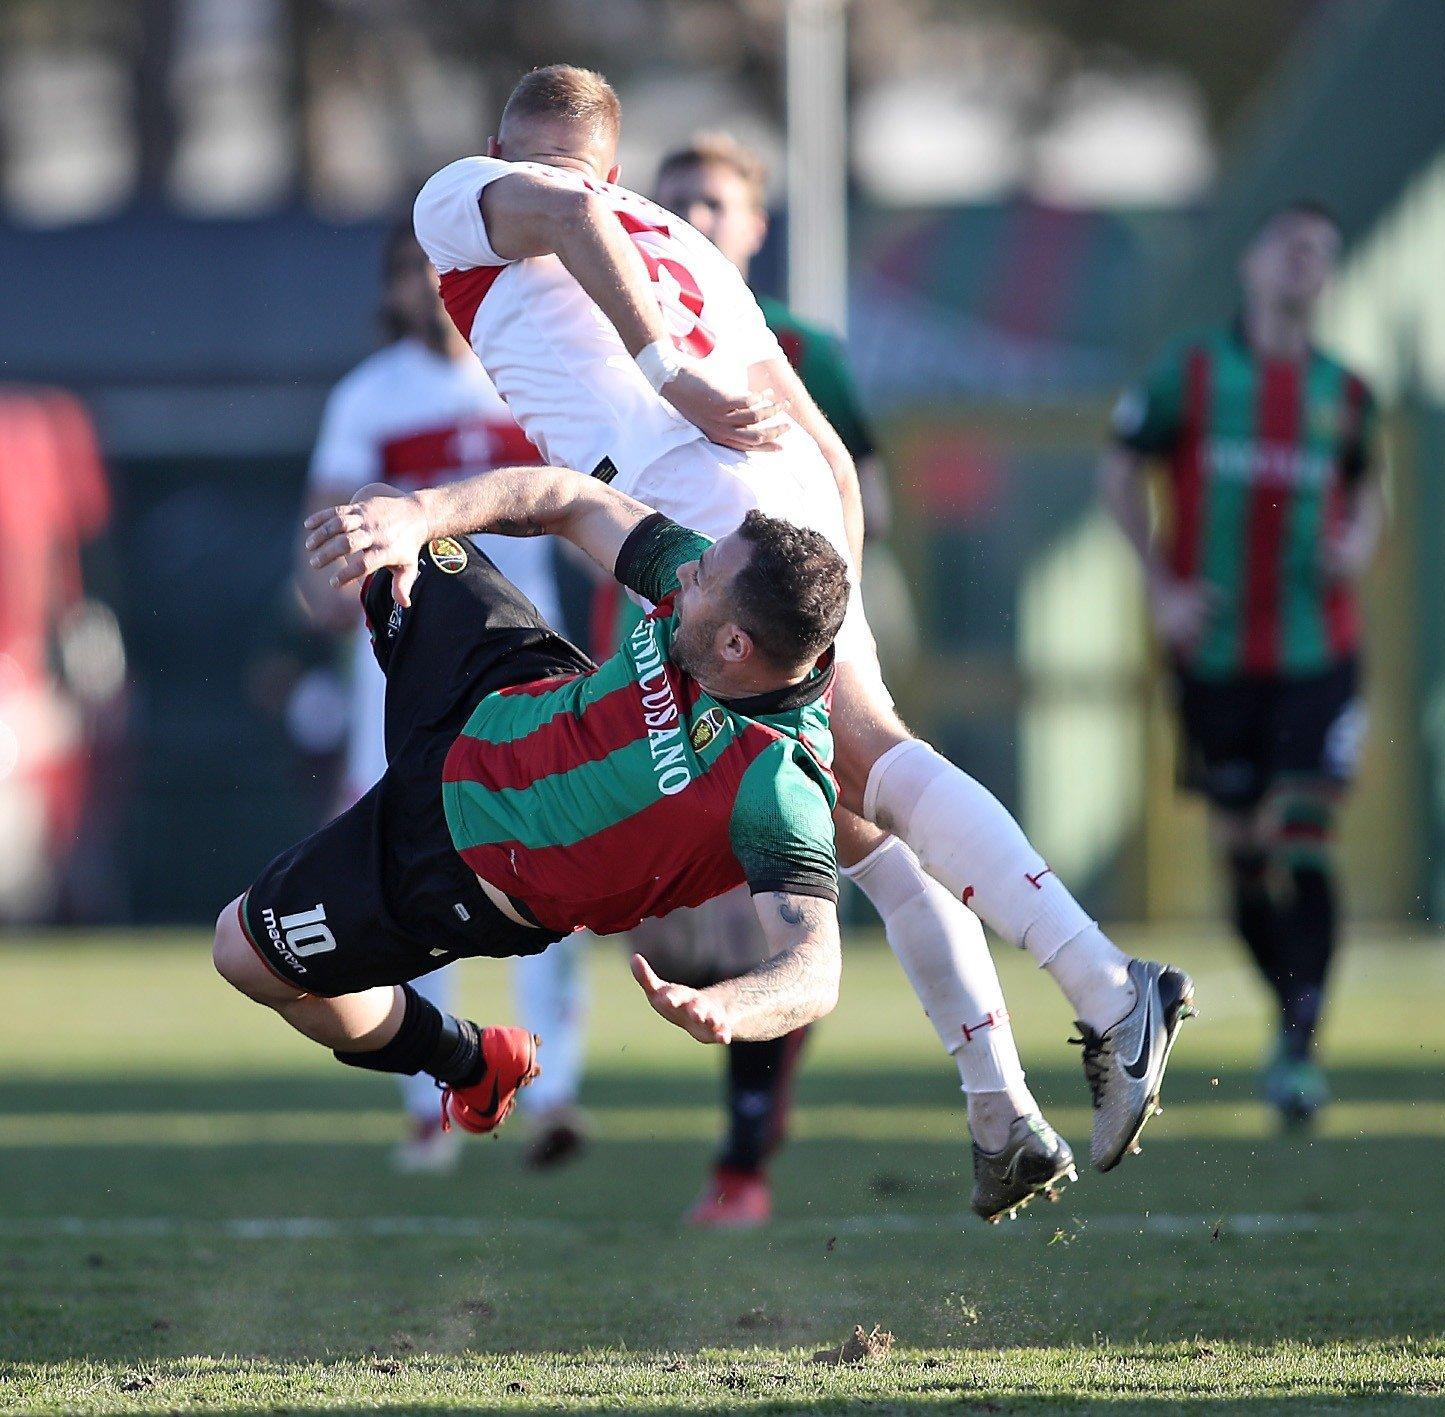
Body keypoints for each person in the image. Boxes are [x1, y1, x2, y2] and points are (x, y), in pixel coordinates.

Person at [410, 65, 1194, 1221]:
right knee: (863, 812)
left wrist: (666, 376)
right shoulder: (675, 237)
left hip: (698, 503)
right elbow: (827, 450)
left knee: (868, 763)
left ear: (505, 146)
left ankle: (1107, 988)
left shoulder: (473, 192)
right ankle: (1000, 1111)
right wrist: (841, 588)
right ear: (625, 166)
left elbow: (566, 211)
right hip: (788, 491)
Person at [212, 467, 853, 1132]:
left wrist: (735, 1007)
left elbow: (816, 967)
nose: (685, 573)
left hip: (460, 864)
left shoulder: (777, 779)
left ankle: (469, 1060)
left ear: (734, 645)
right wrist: (422, 515)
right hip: (494, 688)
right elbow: (573, 499)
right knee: (377, 515)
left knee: (242, 951)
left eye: (700, 582)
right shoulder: (709, 581)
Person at [573, 132, 889, 1227]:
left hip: (777, 674)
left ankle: (746, 1149)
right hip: (656, 660)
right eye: (673, 204)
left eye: (714, 205)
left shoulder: (800, 349)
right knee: (663, 923)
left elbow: (864, 500)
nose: (693, 222)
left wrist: (817, 623)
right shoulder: (611, 339)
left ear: (754, 227)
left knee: (786, 898)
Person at [301, 225, 589, 1175]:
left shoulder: (535, 379)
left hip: (520, 671)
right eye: (410, 277)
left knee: (546, 869)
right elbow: (330, 534)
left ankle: (553, 1088)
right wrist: (335, 598)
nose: (430, 292)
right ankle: (434, 1090)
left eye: (445, 273)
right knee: (401, 876)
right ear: (391, 293)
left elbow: (590, 510)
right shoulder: (367, 396)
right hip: (404, 673)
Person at [1101, 200, 1383, 1129]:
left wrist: (1358, 539)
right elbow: (1119, 468)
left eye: (1322, 251)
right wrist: (1160, 586)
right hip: (1215, 647)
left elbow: (1367, 489)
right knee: (1241, 852)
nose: (1305, 263)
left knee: (1300, 830)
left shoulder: (1346, 389)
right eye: (1291, 245)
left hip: (1317, 647)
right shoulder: (1191, 371)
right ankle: (1292, 1018)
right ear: (1255, 261)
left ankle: (1300, 1044)